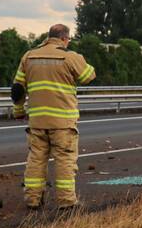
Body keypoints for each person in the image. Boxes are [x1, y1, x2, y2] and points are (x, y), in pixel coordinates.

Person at [11, 24, 96, 210]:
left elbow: (17, 89)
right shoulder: (70, 56)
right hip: (62, 122)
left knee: (36, 160)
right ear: (64, 38)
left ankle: (32, 200)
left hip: (37, 121)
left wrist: (18, 111)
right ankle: (66, 202)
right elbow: (89, 76)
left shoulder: (29, 56)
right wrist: (78, 56)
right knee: (64, 160)